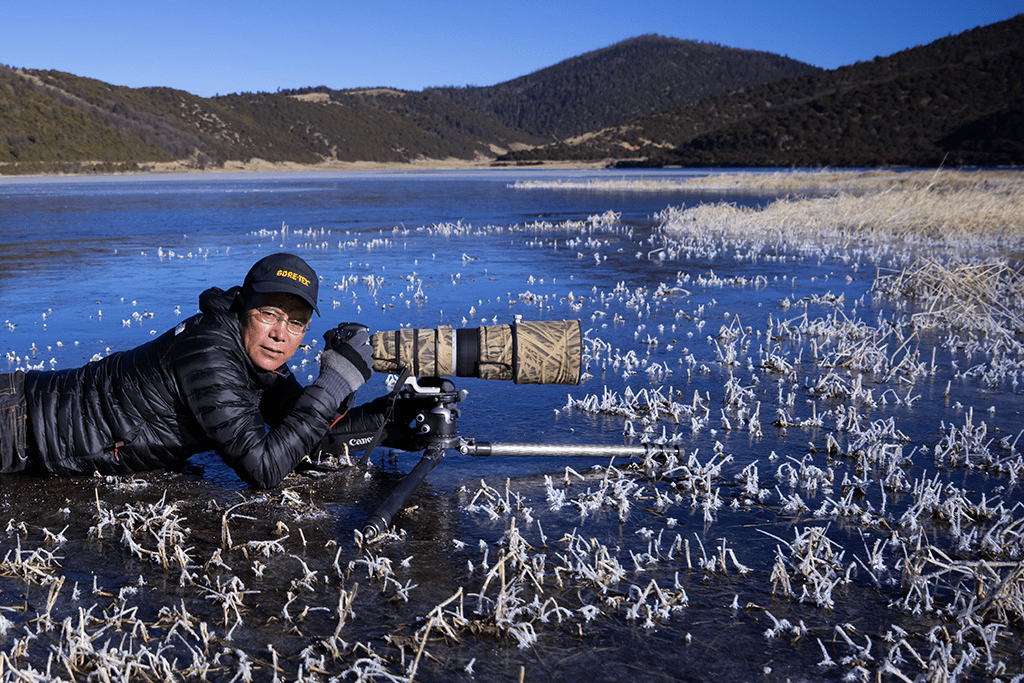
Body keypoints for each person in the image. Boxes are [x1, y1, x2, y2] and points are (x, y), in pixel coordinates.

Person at [0, 253, 383, 488]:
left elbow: (303, 430)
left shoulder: (254, 358)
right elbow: (263, 468)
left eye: (296, 323)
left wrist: (390, 420)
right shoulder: (210, 352)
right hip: (16, 424)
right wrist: (333, 382)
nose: (281, 334)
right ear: (242, 306)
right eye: (270, 314)